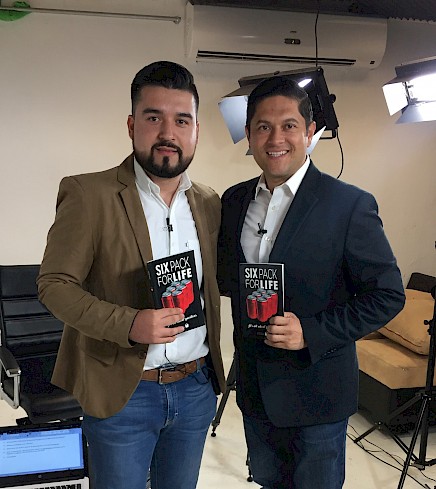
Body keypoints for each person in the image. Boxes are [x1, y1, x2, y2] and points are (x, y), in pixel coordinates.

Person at [37, 60, 225, 489]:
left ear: (196, 130)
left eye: (182, 120)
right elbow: (54, 285)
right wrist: (130, 323)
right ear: (131, 125)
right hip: (123, 391)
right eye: (153, 117)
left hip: (195, 387)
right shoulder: (89, 195)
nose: (168, 133)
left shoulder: (210, 203)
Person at [217, 75, 405, 489]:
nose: (276, 139)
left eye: (289, 125)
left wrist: (312, 331)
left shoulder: (349, 205)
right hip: (255, 390)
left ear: (310, 132)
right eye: (263, 127)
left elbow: (388, 295)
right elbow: (228, 280)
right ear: (249, 134)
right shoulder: (234, 200)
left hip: (318, 394)